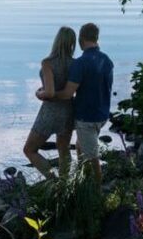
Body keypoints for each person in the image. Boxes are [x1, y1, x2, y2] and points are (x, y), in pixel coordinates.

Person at [37, 22, 112, 182]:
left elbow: (67, 94)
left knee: (92, 157)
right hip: (102, 115)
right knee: (80, 146)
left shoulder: (81, 63)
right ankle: (81, 181)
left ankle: (96, 190)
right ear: (96, 38)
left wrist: (46, 95)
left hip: (87, 117)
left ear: (81, 40)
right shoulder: (106, 60)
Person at [23, 26, 77, 179]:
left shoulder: (47, 63)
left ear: (56, 41)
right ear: (72, 43)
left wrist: (38, 93)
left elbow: (50, 93)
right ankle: (65, 183)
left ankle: (52, 180)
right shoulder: (75, 64)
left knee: (29, 150)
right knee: (64, 148)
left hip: (50, 112)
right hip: (69, 110)